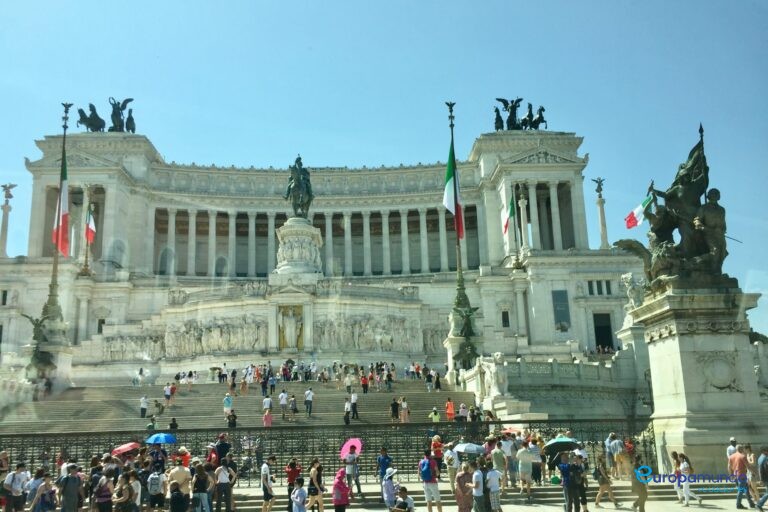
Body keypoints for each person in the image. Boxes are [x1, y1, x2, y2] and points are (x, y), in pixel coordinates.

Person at [756, 445, 768, 512]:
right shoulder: (763, 458)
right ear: (763, 451)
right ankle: (759, 504)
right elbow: (760, 469)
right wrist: (761, 479)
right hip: (766, 478)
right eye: (767, 450)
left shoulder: (762, 457)